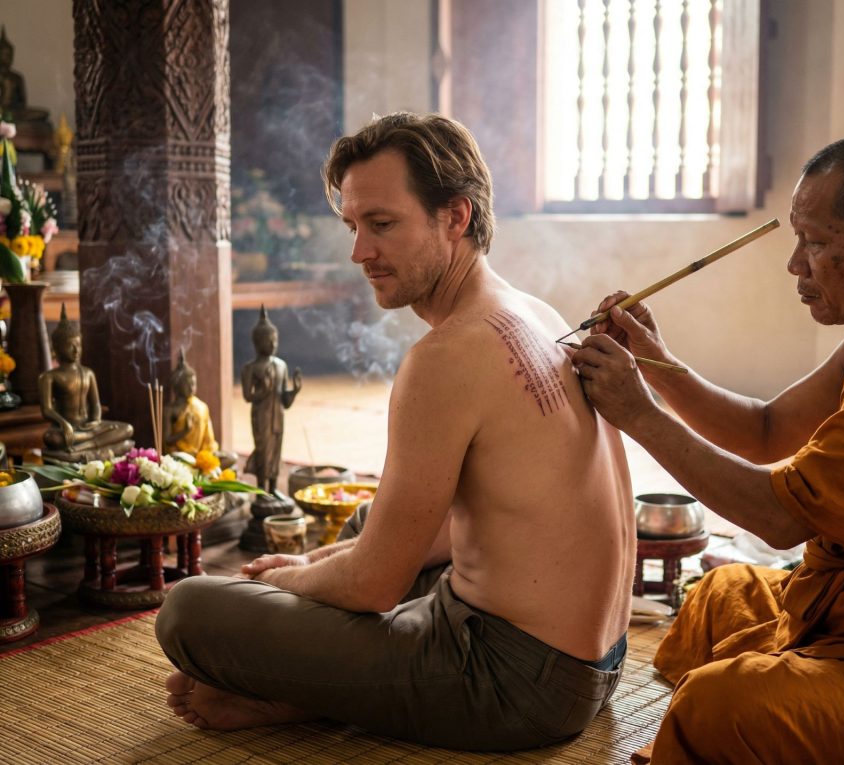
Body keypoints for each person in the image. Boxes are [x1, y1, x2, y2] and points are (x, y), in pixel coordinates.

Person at [156, 112, 635, 751]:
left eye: (382, 225)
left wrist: (282, 581)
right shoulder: (536, 313)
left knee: (190, 610)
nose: (359, 253)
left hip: (517, 687)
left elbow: (373, 585)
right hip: (596, 662)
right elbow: (443, 530)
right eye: (353, 227)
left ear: (455, 217)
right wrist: (312, 561)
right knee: (365, 529)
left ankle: (299, 691)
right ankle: (312, 683)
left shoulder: (445, 356)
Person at [572, 131, 844, 764]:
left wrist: (639, 414)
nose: (795, 265)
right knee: (713, 600)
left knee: (716, 704)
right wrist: (657, 364)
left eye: (815, 243)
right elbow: (765, 430)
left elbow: (779, 518)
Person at [39, 304, 134, 461]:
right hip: (67, 429)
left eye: (78, 345)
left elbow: (95, 404)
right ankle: (88, 444)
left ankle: (82, 447)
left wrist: (95, 420)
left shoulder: (88, 373)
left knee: (127, 429)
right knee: (52, 439)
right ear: (57, 347)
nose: (76, 350)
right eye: (71, 346)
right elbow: (47, 410)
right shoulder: (48, 377)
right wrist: (63, 424)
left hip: (89, 428)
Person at [240, 306, 301, 495]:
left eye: (275, 340)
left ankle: (273, 489)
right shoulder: (250, 368)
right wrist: (264, 391)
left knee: (276, 450)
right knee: (263, 449)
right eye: (269, 340)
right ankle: (261, 490)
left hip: (278, 415)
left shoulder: (281, 365)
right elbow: (248, 396)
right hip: (261, 416)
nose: (273, 343)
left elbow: (284, 399)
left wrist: (294, 391)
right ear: (258, 343)